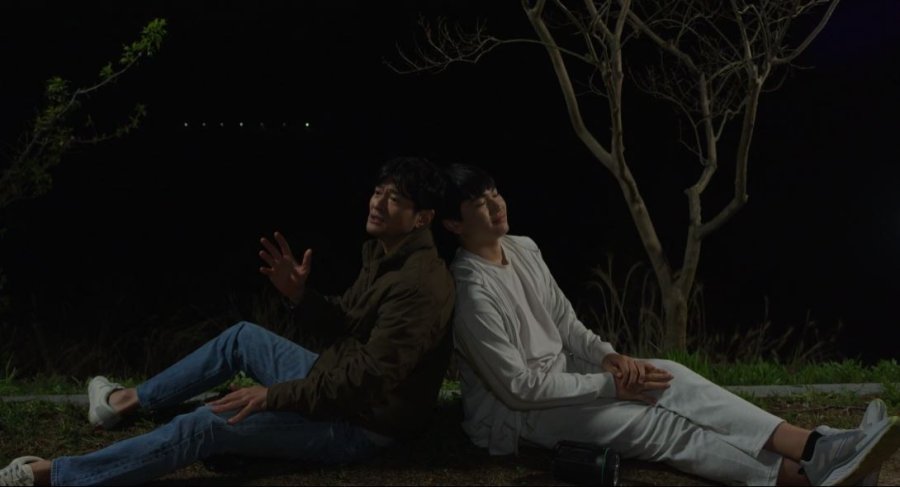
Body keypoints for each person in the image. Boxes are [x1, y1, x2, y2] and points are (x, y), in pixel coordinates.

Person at [0, 156, 456, 486]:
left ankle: (57, 475)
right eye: (379, 192)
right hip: (333, 381)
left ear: (423, 218)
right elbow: (345, 325)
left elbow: (367, 383)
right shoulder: (384, 254)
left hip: (361, 423)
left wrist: (273, 396)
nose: (378, 203)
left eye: (395, 199)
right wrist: (301, 295)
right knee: (242, 337)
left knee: (205, 424)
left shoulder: (419, 285)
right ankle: (122, 402)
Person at [439, 163, 899, 486]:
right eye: (479, 203)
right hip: (520, 417)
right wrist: (611, 387)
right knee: (656, 424)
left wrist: (610, 358)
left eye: (495, 193)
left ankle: (817, 448)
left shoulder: (523, 248)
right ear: (454, 225)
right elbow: (518, 389)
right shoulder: (473, 291)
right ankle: (810, 476)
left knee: (668, 374)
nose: (496, 205)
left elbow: (565, 322)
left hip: (568, 378)